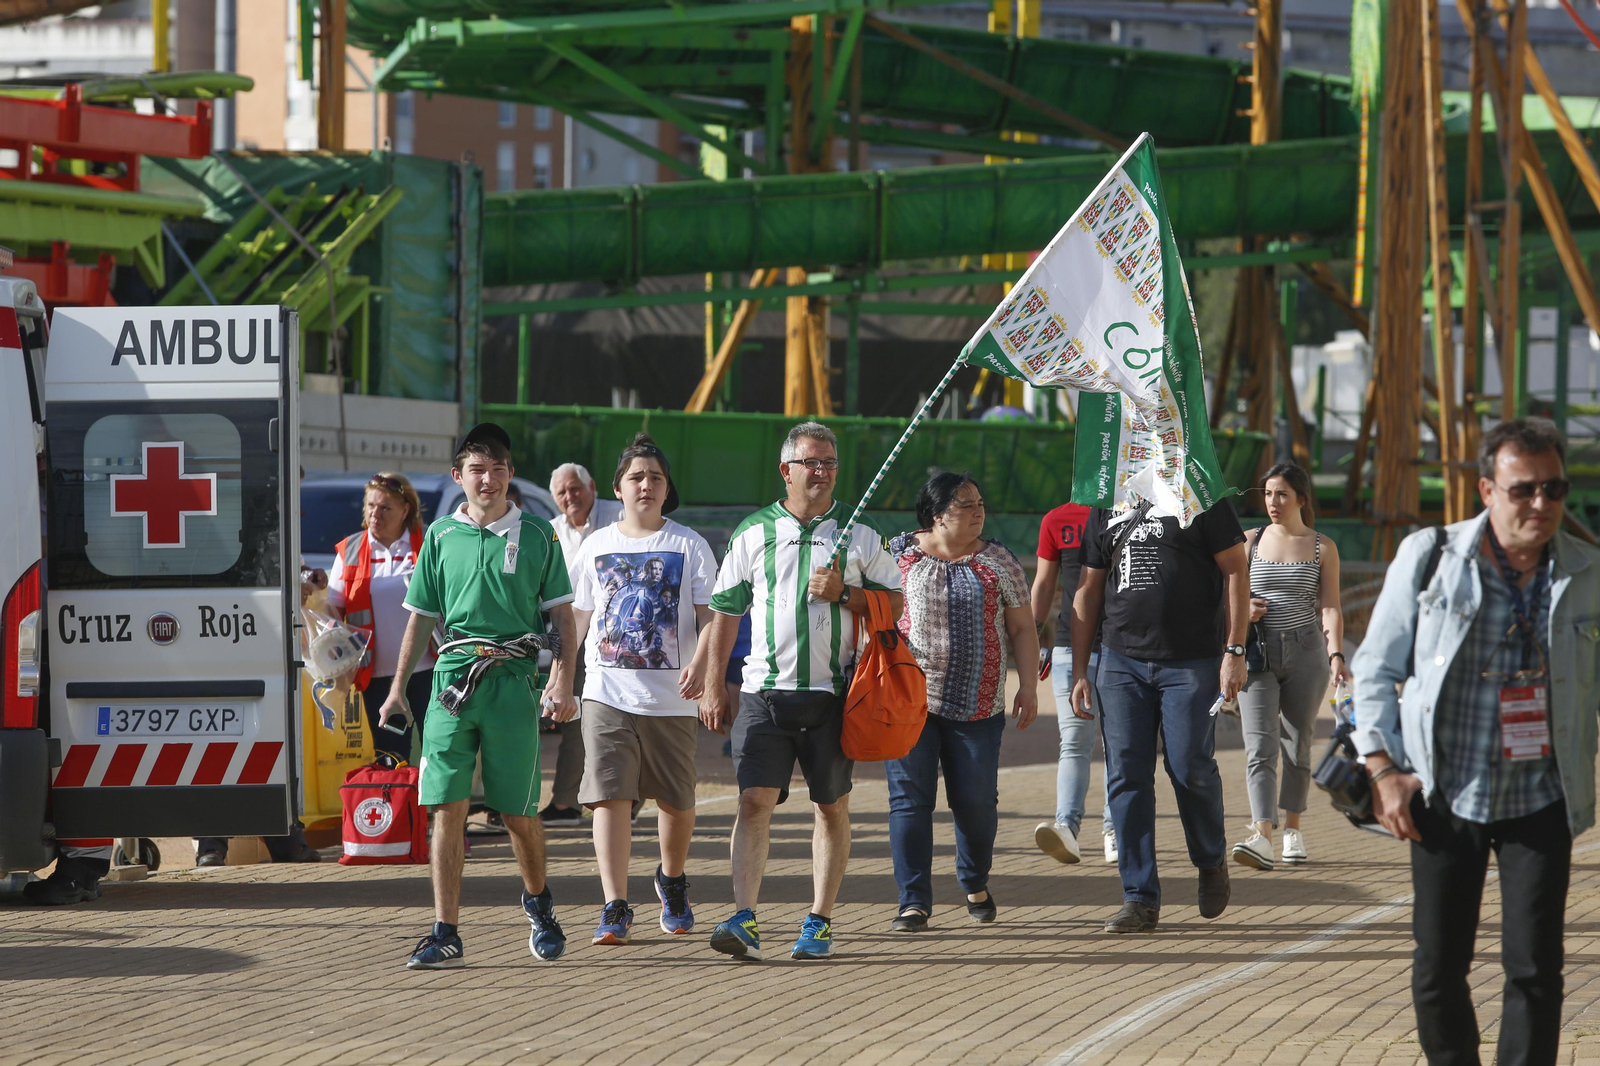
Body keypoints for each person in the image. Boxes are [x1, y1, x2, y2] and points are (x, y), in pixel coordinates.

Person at [1353, 417, 1600, 1066]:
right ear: (1487, 490)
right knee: (1438, 967)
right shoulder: (1431, 556)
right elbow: (1375, 669)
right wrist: (1383, 771)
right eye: (1523, 490)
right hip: (1443, 792)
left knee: (1535, 968)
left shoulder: (1587, 571)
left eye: (1554, 489)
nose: (1541, 505)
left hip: (1541, 796)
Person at [686, 421, 903, 961]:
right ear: (787, 470)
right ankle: (744, 918)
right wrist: (715, 685)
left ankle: (819, 921)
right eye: (812, 463)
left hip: (835, 695)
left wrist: (847, 593)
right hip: (764, 693)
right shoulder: (753, 532)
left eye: (830, 462)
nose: (823, 472)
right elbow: (725, 612)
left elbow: (897, 605)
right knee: (753, 800)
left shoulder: (860, 531)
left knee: (831, 807)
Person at [381, 423, 580, 970]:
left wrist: (562, 681)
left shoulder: (539, 535)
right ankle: (446, 930)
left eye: (497, 469)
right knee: (446, 805)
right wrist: (398, 688)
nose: (487, 479)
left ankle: (539, 904)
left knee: (516, 811)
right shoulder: (441, 537)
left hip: (513, 682)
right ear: (458, 476)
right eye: (476, 469)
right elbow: (421, 619)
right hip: (452, 682)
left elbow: (562, 618)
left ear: (510, 474)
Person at [1072, 496, 1249, 933]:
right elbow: (1089, 589)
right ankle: (1139, 897)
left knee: (1189, 765)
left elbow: (1236, 570)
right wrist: (1080, 670)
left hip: (1191, 660)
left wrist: (1235, 650)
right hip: (1120, 659)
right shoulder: (1107, 501)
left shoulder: (1201, 493)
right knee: (1126, 774)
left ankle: (1210, 860)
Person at [569, 434, 718, 944]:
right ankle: (614, 904)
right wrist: (559, 676)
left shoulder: (688, 545)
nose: (647, 485)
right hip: (606, 692)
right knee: (610, 795)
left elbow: (712, 616)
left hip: (673, 695)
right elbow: (579, 618)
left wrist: (703, 665)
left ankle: (671, 879)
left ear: (667, 488)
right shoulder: (596, 546)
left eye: (656, 477)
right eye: (636, 477)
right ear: (618, 488)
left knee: (676, 801)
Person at [883, 473, 1037, 931]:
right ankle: (913, 900)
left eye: (980, 503)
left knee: (975, 803)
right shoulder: (896, 555)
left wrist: (1027, 685)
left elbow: (1023, 628)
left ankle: (974, 880)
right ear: (936, 515)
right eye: (965, 505)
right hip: (907, 700)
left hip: (979, 703)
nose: (978, 512)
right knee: (909, 801)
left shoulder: (999, 561)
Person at [1231, 462, 1346, 871]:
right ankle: (1262, 835)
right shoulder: (1247, 541)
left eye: (1281, 494)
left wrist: (1336, 656)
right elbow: (1223, 598)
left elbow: (1330, 605)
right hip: (1256, 654)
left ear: (1301, 498)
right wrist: (1244, 612)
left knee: (1297, 745)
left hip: (1307, 653)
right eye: (1266, 493)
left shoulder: (1322, 547)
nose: (1272, 502)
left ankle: (1293, 829)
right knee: (1259, 746)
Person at [326, 472, 436, 763]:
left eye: (385, 507)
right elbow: (333, 610)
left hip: (429, 669)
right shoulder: (349, 550)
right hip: (377, 676)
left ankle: (436, 809)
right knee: (391, 756)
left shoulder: (427, 545)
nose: (376, 514)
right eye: (371, 506)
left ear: (405, 510)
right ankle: (400, 809)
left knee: (439, 751)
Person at [1031, 497, 1117, 866]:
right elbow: (1044, 583)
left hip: (1124, 646)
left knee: (1120, 745)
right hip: (1070, 645)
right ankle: (1067, 827)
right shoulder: (1056, 519)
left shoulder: (1133, 513)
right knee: (1076, 741)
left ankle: (1116, 829)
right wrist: (1031, 639)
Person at [543, 462, 624, 827]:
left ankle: (622, 796)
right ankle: (565, 802)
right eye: (561, 493)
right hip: (574, 637)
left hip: (621, 638)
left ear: (592, 486)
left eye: (575, 488)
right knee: (573, 717)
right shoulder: (552, 532)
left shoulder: (618, 516)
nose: (569, 497)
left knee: (625, 719)